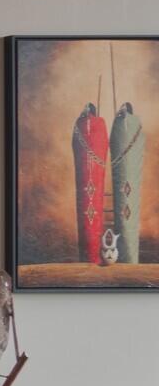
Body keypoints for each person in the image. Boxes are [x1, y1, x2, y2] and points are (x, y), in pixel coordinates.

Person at [73, 101, 110, 264]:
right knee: (86, 211)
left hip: (97, 170)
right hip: (83, 171)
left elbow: (103, 143)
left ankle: (95, 256)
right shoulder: (79, 123)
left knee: (94, 210)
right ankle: (88, 258)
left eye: (89, 109)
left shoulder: (100, 124)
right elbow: (76, 142)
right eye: (85, 109)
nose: (86, 112)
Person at [114, 100, 144, 266]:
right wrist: (118, 120)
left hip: (131, 170)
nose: (123, 111)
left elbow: (139, 140)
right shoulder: (118, 124)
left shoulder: (134, 123)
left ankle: (130, 259)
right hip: (120, 168)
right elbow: (113, 139)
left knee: (129, 213)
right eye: (122, 109)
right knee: (123, 214)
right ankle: (122, 257)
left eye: (125, 109)